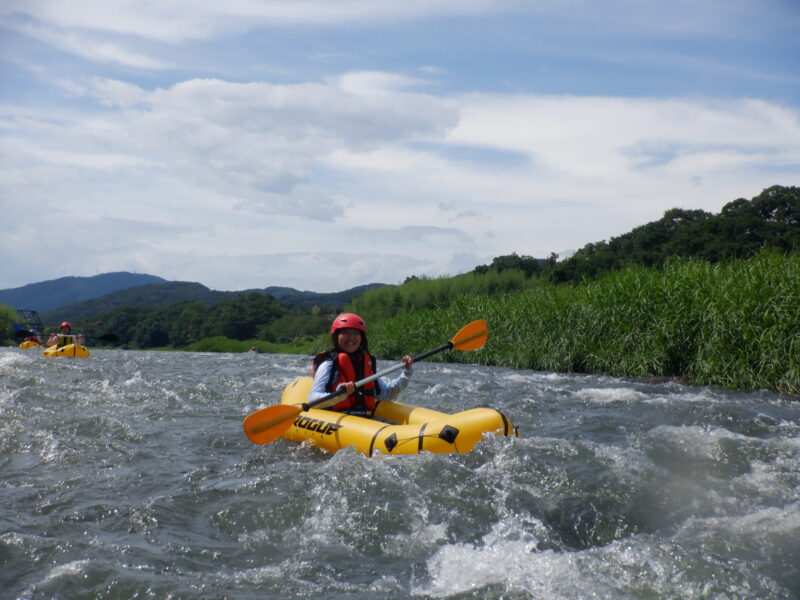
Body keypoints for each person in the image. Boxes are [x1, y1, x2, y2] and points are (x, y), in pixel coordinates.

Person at [308, 313, 413, 415]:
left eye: (356, 333)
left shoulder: (365, 363)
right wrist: (340, 394)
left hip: (364, 419)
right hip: (337, 419)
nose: (351, 337)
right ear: (336, 336)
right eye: (346, 332)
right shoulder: (329, 364)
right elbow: (312, 398)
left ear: (361, 338)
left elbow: (385, 393)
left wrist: (406, 372)